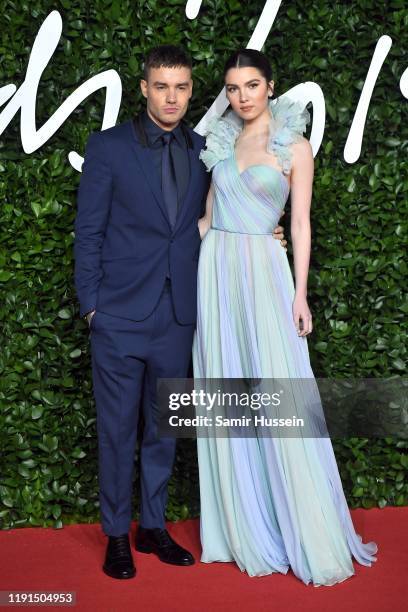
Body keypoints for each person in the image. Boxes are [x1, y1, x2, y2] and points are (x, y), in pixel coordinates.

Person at [74, 44, 286, 580]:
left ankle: (153, 527)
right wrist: (93, 307)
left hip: (180, 315)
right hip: (119, 317)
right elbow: (89, 233)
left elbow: (221, 216)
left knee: (165, 429)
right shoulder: (108, 147)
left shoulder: (205, 149)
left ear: (192, 91)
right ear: (144, 88)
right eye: (161, 86)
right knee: (118, 431)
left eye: (182, 87)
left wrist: (266, 233)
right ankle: (117, 535)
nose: (172, 97)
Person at [192, 49, 378, 587]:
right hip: (216, 274)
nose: (241, 96)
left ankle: (304, 528)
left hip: (266, 276)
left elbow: (299, 225)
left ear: (270, 87)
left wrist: (300, 294)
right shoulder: (221, 143)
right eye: (232, 88)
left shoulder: (295, 147)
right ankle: (237, 529)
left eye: (251, 85)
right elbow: (206, 218)